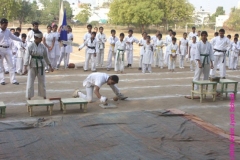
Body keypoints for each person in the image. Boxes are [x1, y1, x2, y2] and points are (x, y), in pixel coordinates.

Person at [23, 32, 54, 100]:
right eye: (40, 38)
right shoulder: (30, 46)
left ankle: (44, 96)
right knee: (30, 81)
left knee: (42, 82)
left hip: (41, 65)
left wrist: (50, 66)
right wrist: (25, 67)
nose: (41, 40)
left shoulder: (42, 46)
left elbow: (46, 57)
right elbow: (27, 56)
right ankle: (29, 97)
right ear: (36, 38)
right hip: (32, 65)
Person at [0, 18, 21, 85]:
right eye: (4, 25)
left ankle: (13, 80)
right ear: (1, 24)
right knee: (1, 66)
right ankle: (2, 80)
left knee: (11, 65)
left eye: (6, 25)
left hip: (8, 49)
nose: (5, 26)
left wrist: (20, 40)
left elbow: (13, 37)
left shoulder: (8, 31)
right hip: (0, 49)